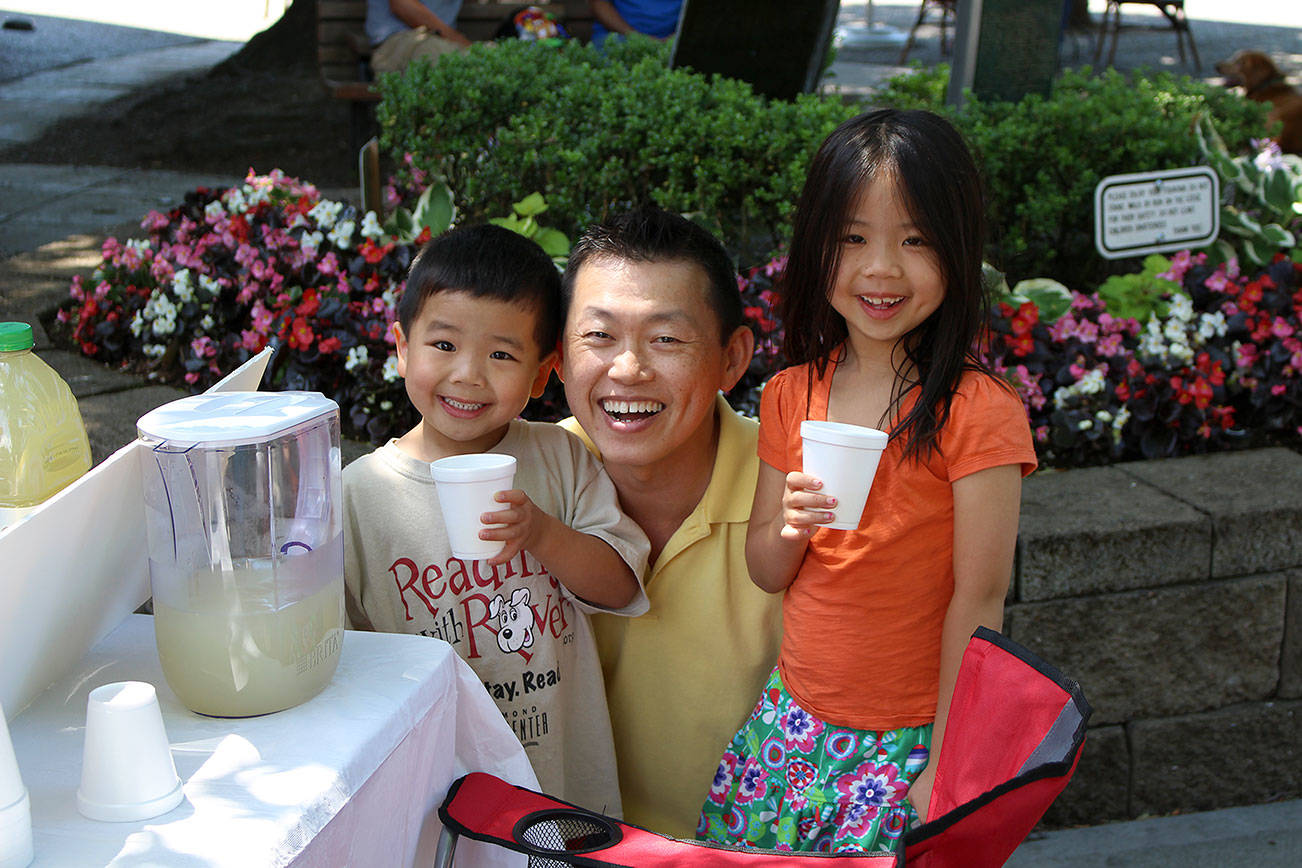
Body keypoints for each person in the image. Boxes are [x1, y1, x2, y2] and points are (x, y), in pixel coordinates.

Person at [697, 109, 1037, 853]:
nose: (881, 268)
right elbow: (765, 568)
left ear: (957, 249)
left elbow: (978, 601)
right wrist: (792, 524)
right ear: (815, 248)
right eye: (852, 238)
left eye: (914, 240)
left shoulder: (978, 411)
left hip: (910, 739)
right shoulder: (792, 393)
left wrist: (947, 764)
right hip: (794, 722)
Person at [343, 223, 650, 815]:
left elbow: (619, 586)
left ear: (541, 375)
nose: (468, 375)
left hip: (558, 775)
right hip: (434, 784)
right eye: (443, 346)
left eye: (502, 354)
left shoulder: (559, 459)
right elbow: (344, 657)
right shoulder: (359, 496)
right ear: (402, 348)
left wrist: (540, 531)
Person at [558, 206, 783, 837]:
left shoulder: (797, 503)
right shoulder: (520, 493)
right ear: (557, 357)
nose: (628, 369)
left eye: (667, 338)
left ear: (732, 359)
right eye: (598, 337)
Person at [366, 0, 471, 75]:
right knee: (437, 58)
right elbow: (402, 4)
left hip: (446, 44)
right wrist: (466, 45)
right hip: (398, 42)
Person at [588, 0, 682, 47]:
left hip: (675, 41)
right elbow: (598, 3)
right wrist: (636, 37)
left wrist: (675, 38)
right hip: (619, 36)